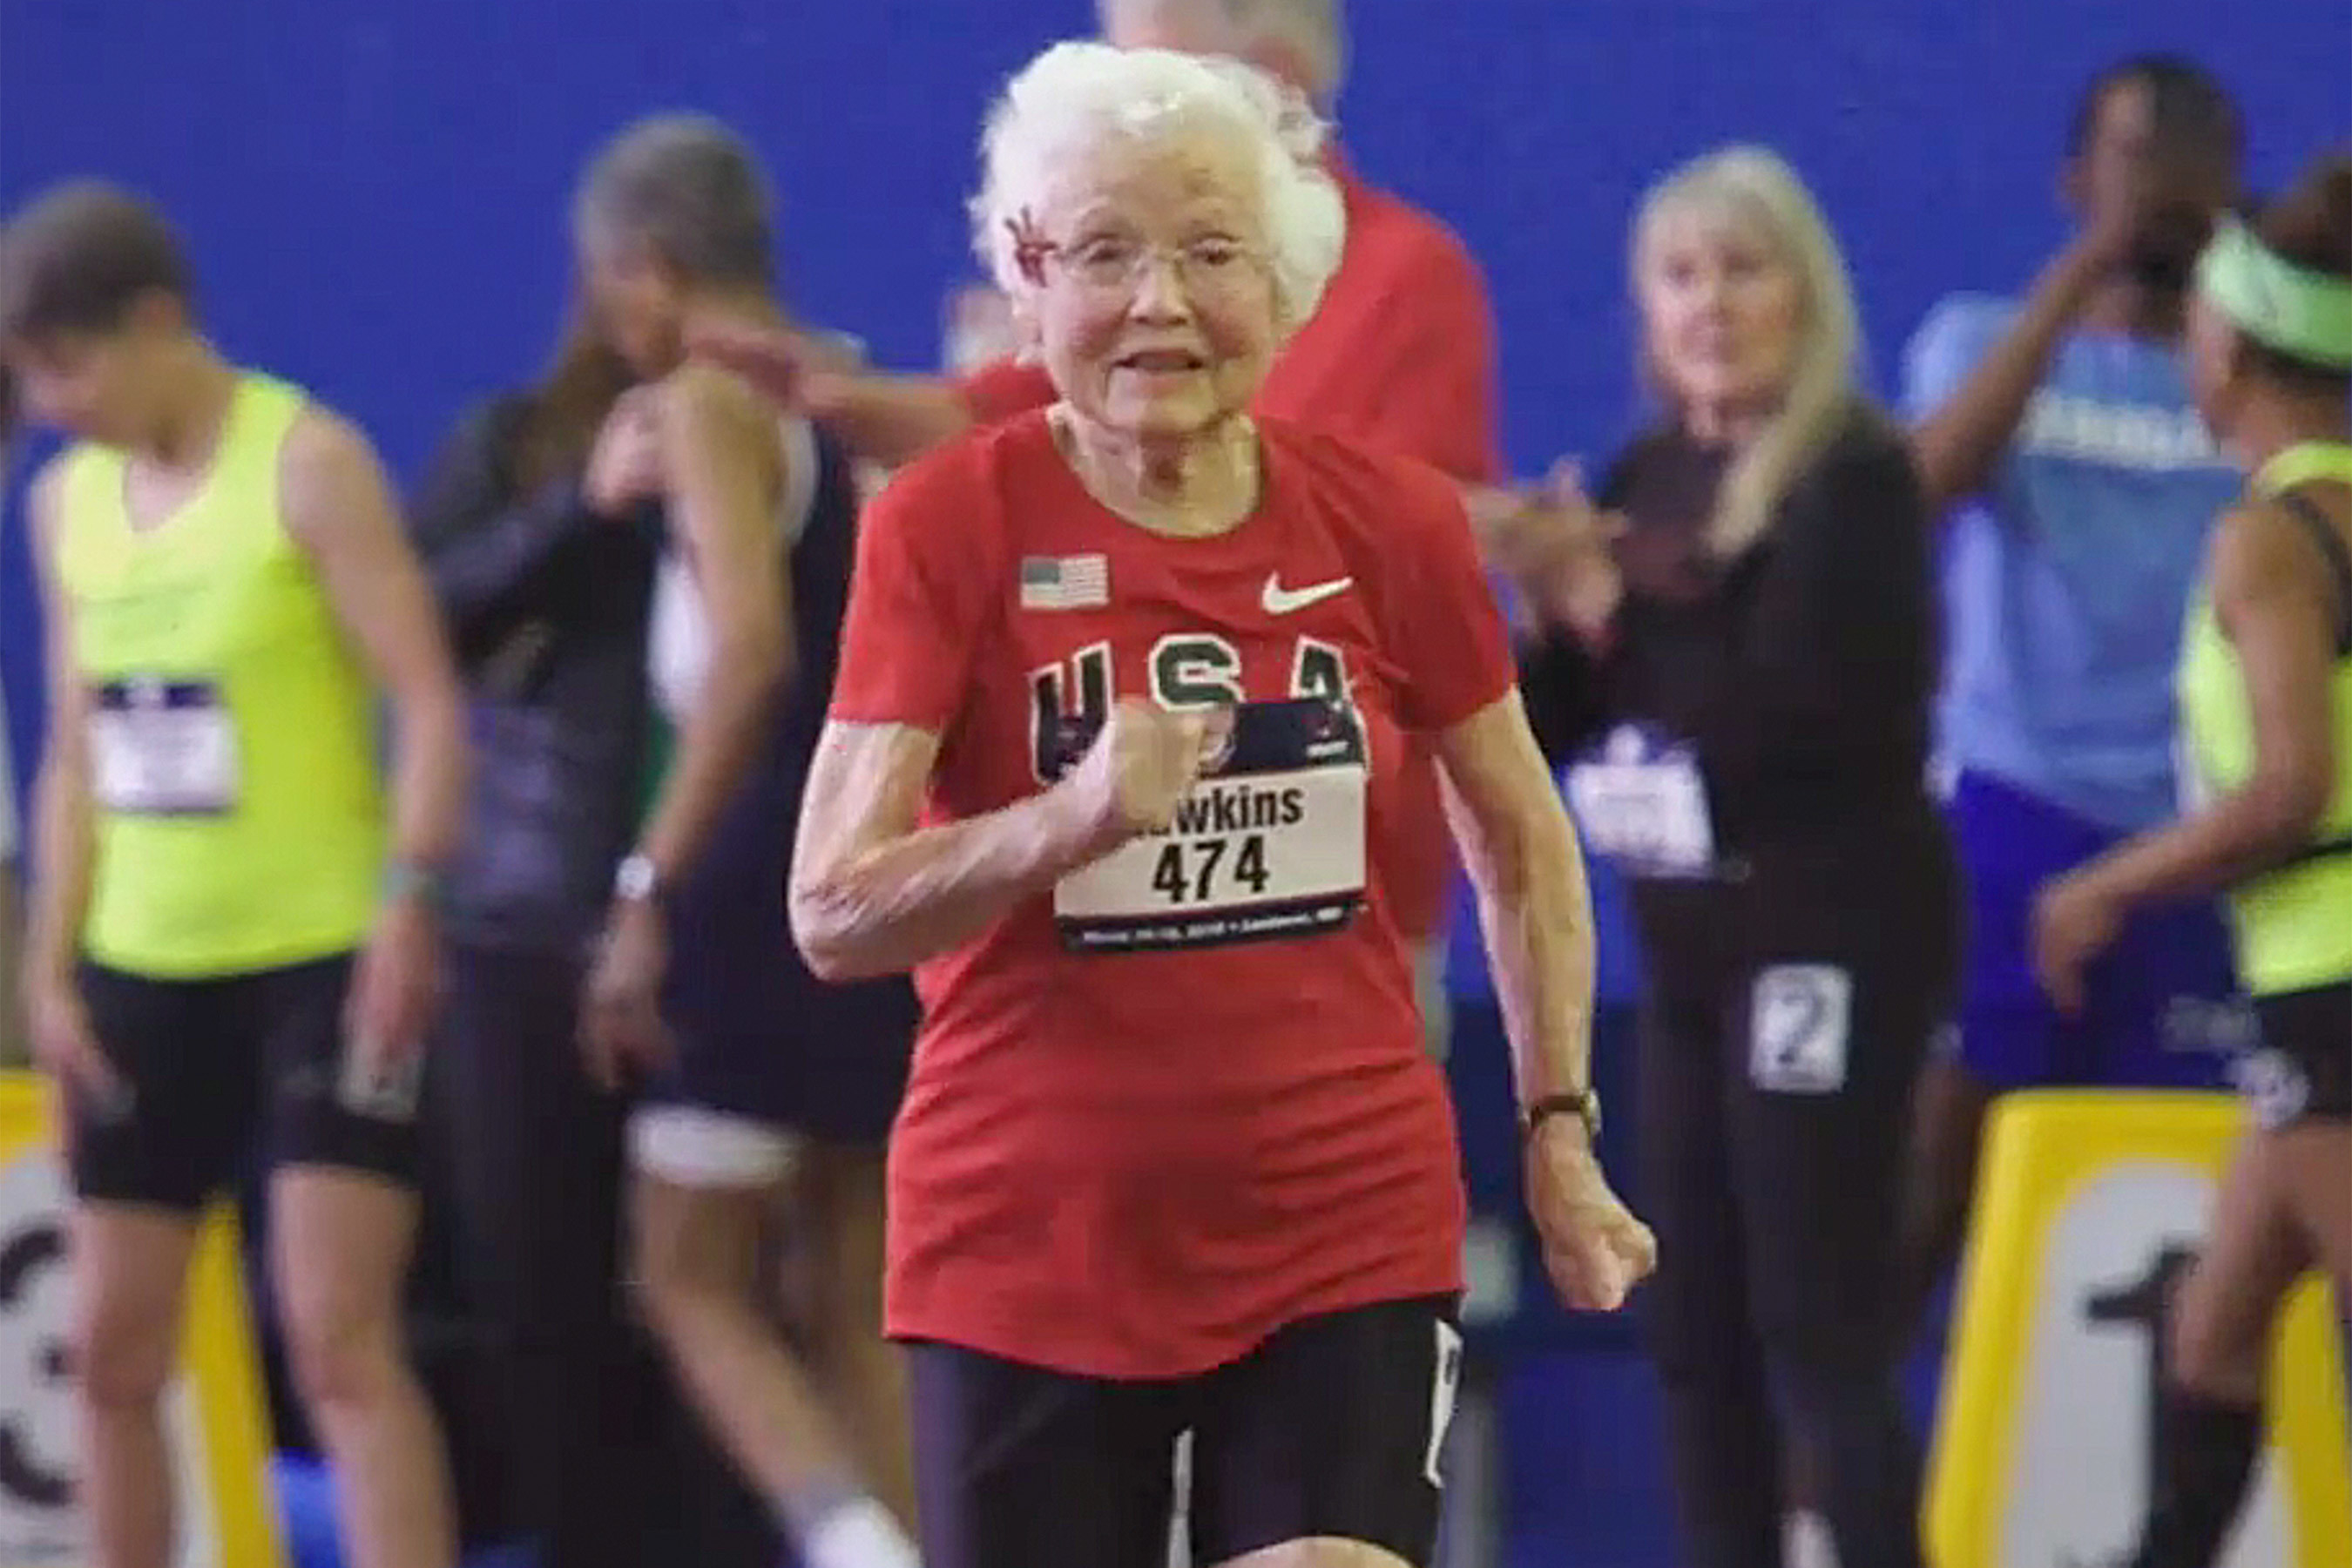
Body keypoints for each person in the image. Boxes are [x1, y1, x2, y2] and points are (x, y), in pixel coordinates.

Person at [787, 44, 1652, 1568]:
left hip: (1342, 1222)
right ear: (1029, 278)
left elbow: (1520, 836)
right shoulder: (947, 526)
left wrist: (1559, 1131)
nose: (1161, 304)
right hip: (1032, 1245)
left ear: (1286, 283)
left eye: (1209, 254)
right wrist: (1068, 822)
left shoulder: (1389, 523)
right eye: (1105, 255)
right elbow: (833, 910)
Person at [698, 0, 1504, 1061]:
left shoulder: (1404, 275)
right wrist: (827, 395)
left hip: (1336, 897)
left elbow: (1423, 527)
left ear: (1272, 81)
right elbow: (985, 412)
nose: (1110, 118)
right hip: (1079, 920)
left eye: (1146, 82)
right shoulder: (1089, 319)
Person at [1486, 146, 1954, 1568]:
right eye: (1680, 276)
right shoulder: (1648, 475)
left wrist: (1607, 612)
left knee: (1818, 1316)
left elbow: (1780, 725)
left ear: (1804, 295)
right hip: (1689, 954)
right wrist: (1545, 618)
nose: (1710, 304)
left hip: (1829, 939)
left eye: (1743, 271)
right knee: (1690, 1324)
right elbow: (1570, 719)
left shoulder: (1853, 477)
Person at [0, 182, 467, 1568]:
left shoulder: (308, 464)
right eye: (32, 378)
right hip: (144, 969)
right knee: (110, 1351)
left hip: (320, 966)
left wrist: (410, 904)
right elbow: (75, 750)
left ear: (158, 323)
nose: (52, 404)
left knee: (336, 1343)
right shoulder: (65, 506)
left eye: (69, 367)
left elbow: (429, 703)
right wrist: (50, 967)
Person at [563, 113, 923, 1568]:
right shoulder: (838, 389)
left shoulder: (710, 401)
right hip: (875, 862)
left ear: (648, 270)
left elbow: (751, 655)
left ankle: (854, 1547)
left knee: (684, 1274)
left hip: (754, 873)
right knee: (854, 1295)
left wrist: (646, 885)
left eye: (607, 290)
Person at [2030, 153, 2352, 1568]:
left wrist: (2101, 886)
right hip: (2307, 994)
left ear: (2225, 348)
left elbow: (2288, 786)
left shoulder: (2267, 540)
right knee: (2216, 1330)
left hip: (2332, 988)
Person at [1896, 57, 2250, 1330]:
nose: (2159, 188)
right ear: (2074, 178)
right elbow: (1916, 494)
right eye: (2133, 155)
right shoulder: (1978, 341)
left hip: (2195, 828)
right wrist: (2084, 273)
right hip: (2011, 805)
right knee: (1934, 1169)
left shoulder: (2253, 388)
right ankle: (1843, 1446)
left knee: (2185, 1194)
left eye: (2190, 161)